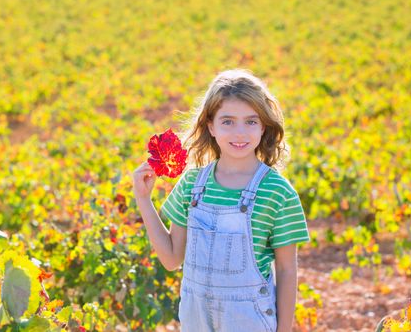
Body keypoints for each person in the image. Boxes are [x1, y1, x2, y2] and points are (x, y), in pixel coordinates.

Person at [132, 69, 310, 332]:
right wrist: (143, 199)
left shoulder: (278, 192)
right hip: (196, 320)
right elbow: (171, 259)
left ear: (263, 126)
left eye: (250, 121)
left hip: (249, 320)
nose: (240, 133)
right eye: (227, 121)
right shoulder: (192, 184)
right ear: (211, 126)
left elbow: (285, 271)